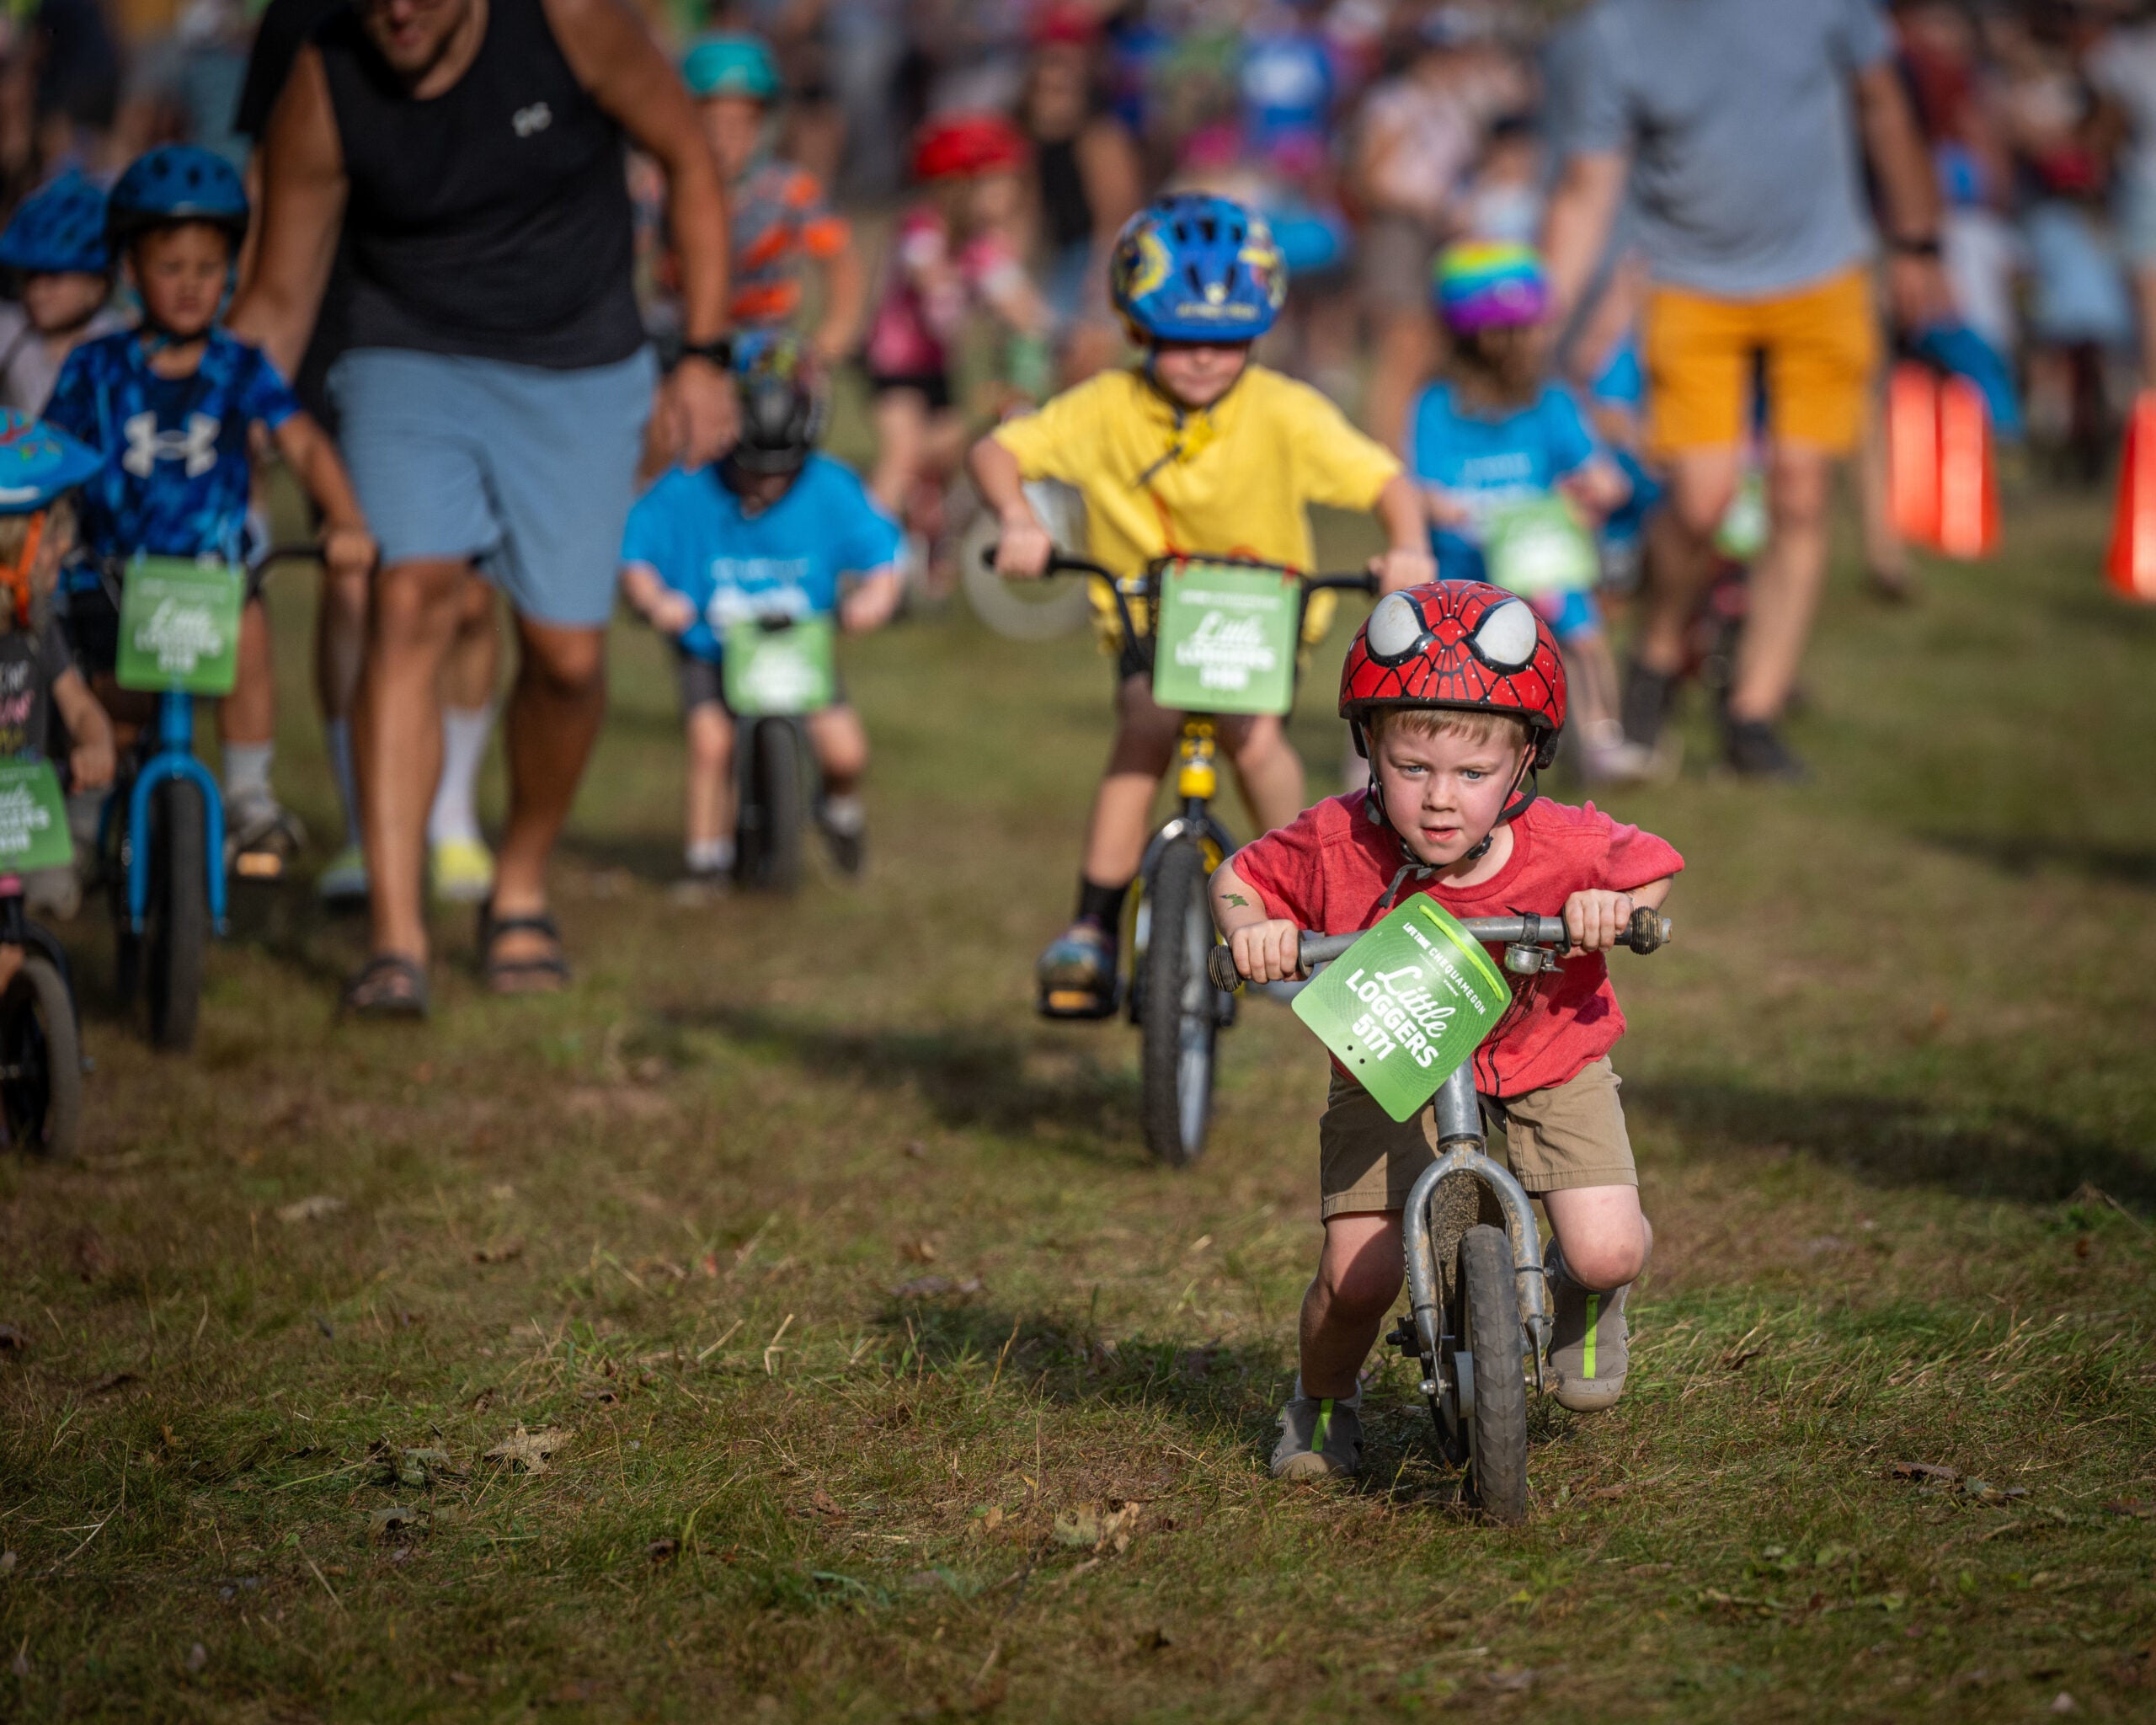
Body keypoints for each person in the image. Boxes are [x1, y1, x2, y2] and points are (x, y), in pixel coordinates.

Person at [228, 0, 735, 1017]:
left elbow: (689, 161)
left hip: (581, 362)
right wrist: (215, 415)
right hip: (406, 356)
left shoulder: (570, 24)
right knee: (406, 597)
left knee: (567, 657)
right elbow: (280, 299)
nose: (399, 11)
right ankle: (396, 934)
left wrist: (704, 356)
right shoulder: (327, 84)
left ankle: (519, 881)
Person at [1209, 580, 1681, 1477]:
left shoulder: (1564, 841)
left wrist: (1607, 910)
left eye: (1471, 774)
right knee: (1359, 1273)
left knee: (1608, 1243)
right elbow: (1237, 874)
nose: (1437, 799)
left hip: (1548, 1050)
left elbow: (1650, 868)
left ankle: (1587, 1299)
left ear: (1525, 764)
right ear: (1367, 748)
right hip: (1394, 1057)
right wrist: (1252, 929)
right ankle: (1320, 1401)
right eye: (1411, 766)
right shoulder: (1334, 840)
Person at [969, 193, 1433, 1019]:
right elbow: (999, 450)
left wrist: (1407, 545)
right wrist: (1017, 516)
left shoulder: (1283, 410)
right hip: (1148, 622)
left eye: (1226, 341)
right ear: (1137, 326)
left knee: (1253, 739)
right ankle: (1092, 927)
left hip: (1261, 620)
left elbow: (1384, 479)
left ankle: (1302, 901)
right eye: (1182, 339)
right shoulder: (1106, 406)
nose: (1204, 360)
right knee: (1145, 722)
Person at [1542, 0, 1950, 780]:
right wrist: (1538, 317)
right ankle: (1659, 655)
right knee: (1702, 497)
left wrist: (1918, 238)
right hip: (1691, 281)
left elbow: (1882, 103)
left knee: (1799, 491)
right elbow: (1587, 188)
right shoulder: (1616, 32)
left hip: (1824, 271)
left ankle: (1753, 714)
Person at [227, 0, 503, 911]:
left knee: (469, 597)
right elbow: (266, 188)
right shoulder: (302, 24)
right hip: (338, 330)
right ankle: (363, 824)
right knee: (359, 579)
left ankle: (453, 813)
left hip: (471, 329)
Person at [42, 145, 375, 879]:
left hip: (209, 579)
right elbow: (51, 461)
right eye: (171, 268)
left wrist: (346, 521)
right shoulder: (94, 369)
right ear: (129, 269)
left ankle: (250, 792)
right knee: (115, 708)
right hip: (113, 577)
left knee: (248, 618)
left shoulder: (238, 365)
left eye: (208, 268)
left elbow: (308, 447)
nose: (192, 287)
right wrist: (42, 532)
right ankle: (88, 815)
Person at [619, 334, 901, 884]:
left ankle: (837, 808)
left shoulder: (831, 487)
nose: (768, 485)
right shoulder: (691, 487)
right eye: (755, 470)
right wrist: (654, 600)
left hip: (798, 643)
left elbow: (883, 552)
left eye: (783, 472)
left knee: (845, 752)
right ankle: (706, 862)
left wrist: (875, 597)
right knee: (711, 742)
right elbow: (637, 549)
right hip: (711, 646)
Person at [1405, 242, 1643, 784]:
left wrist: (1593, 490)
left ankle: (1602, 738)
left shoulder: (1552, 400)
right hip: (1465, 574)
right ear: (1476, 337)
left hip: (1540, 560)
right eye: (1517, 332)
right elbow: (1420, 488)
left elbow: (1607, 478)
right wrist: (1453, 509)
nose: (1533, 343)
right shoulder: (1436, 405)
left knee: (1582, 636)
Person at [863, 110, 1053, 584]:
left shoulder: (983, 244)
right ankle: (863, 558)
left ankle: (925, 554)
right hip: (894, 364)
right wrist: (969, 292)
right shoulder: (923, 229)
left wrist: (1054, 332)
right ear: (958, 187)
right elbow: (931, 284)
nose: (1009, 195)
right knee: (903, 453)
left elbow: (1020, 301)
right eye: (997, 183)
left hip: (938, 368)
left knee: (945, 459)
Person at [680, 32, 864, 363]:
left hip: (763, 343)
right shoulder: (662, 187)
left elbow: (839, 260)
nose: (726, 140)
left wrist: (834, 334)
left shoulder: (789, 190)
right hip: (682, 338)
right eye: (713, 125)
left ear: (767, 124)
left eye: (741, 125)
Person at [0, 407, 115, 934]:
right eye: (52, 535)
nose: (65, 547)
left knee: (37, 923)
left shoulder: (39, 629)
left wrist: (95, 743)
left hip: (24, 823)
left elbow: (81, 705)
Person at [0, 170, 125, 414]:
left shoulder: (119, 346)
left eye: (53, 278)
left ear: (97, 284)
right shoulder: (10, 331)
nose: (37, 292)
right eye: (30, 277)